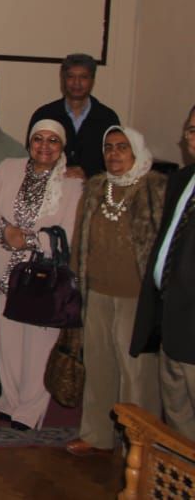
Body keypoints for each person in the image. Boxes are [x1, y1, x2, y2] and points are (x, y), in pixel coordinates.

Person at [0, 119, 83, 430]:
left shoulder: (72, 183)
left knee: (39, 345)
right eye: (39, 139)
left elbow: (69, 232)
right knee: (9, 341)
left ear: (62, 147)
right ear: (29, 142)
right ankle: (10, 400)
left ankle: (30, 410)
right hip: (7, 270)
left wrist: (29, 241)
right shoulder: (7, 168)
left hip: (44, 275)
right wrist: (5, 230)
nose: (45, 146)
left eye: (53, 140)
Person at [66, 127, 164, 454]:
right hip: (97, 292)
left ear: (136, 151)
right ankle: (96, 435)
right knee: (98, 366)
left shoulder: (155, 189)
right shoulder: (96, 188)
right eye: (108, 147)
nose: (114, 153)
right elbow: (80, 239)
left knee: (136, 374)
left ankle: (139, 444)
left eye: (122, 147)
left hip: (137, 296)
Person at [132, 105, 195, 440]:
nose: (192, 139)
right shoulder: (182, 180)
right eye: (190, 131)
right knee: (177, 416)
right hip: (169, 314)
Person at [27, 54, 120, 180]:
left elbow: (115, 162)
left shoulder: (107, 118)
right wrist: (60, 172)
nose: (77, 83)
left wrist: (87, 174)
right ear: (63, 79)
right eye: (71, 77)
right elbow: (32, 159)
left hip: (95, 188)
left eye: (83, 77)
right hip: (49, 186)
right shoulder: (44, 115)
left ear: (92, 80)